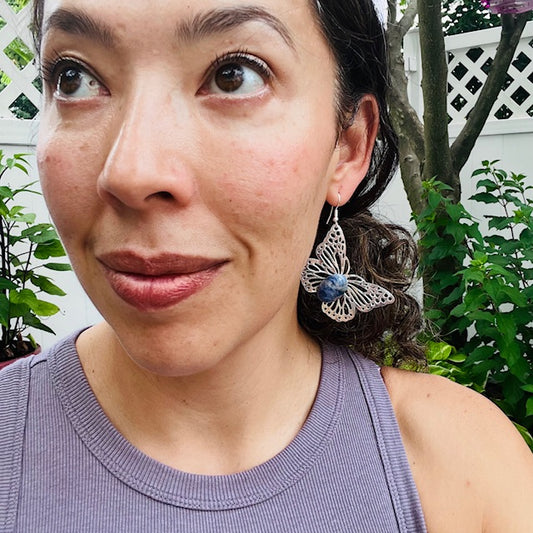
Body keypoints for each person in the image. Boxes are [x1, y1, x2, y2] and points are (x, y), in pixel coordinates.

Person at [1, 0, 532, 531]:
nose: (132, 173)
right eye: (73, 78)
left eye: (233, 76)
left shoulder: (465, 470)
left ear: (347, 148)